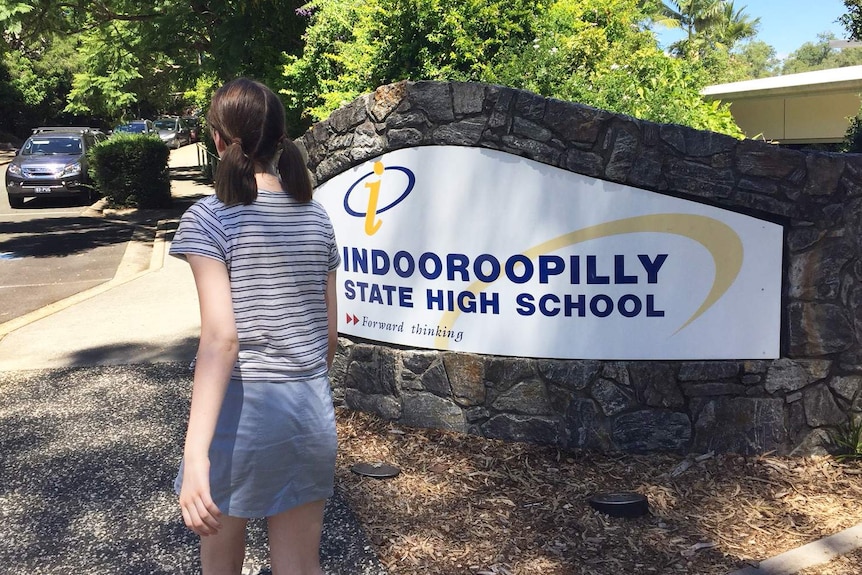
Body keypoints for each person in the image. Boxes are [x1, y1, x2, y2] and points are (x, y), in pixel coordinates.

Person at [169, 77, 340, 575]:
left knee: (221, 562)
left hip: (243, 412)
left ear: (218, 141)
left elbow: (222, 339)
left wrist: (195, 453)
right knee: (300, 565)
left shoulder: (209, 218)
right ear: (281, 141)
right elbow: (329, 336)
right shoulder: (317, 217)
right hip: (309, 406)